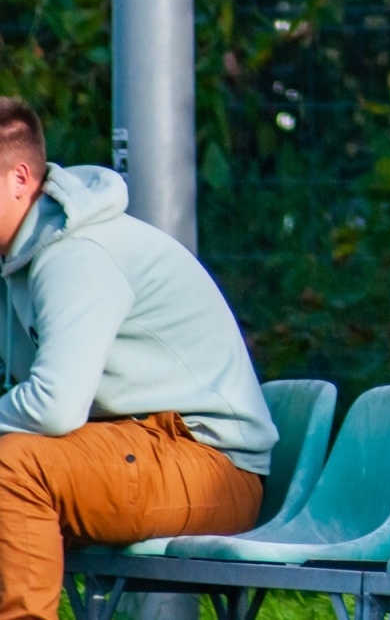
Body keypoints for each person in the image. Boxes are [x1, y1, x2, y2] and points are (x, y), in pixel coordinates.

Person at [0, 97, 277, 620]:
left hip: (210, 465)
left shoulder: (76, 253)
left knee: (12, 468)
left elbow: (54, 407)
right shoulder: (16, 261)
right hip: (133, 446)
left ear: (19, 178)